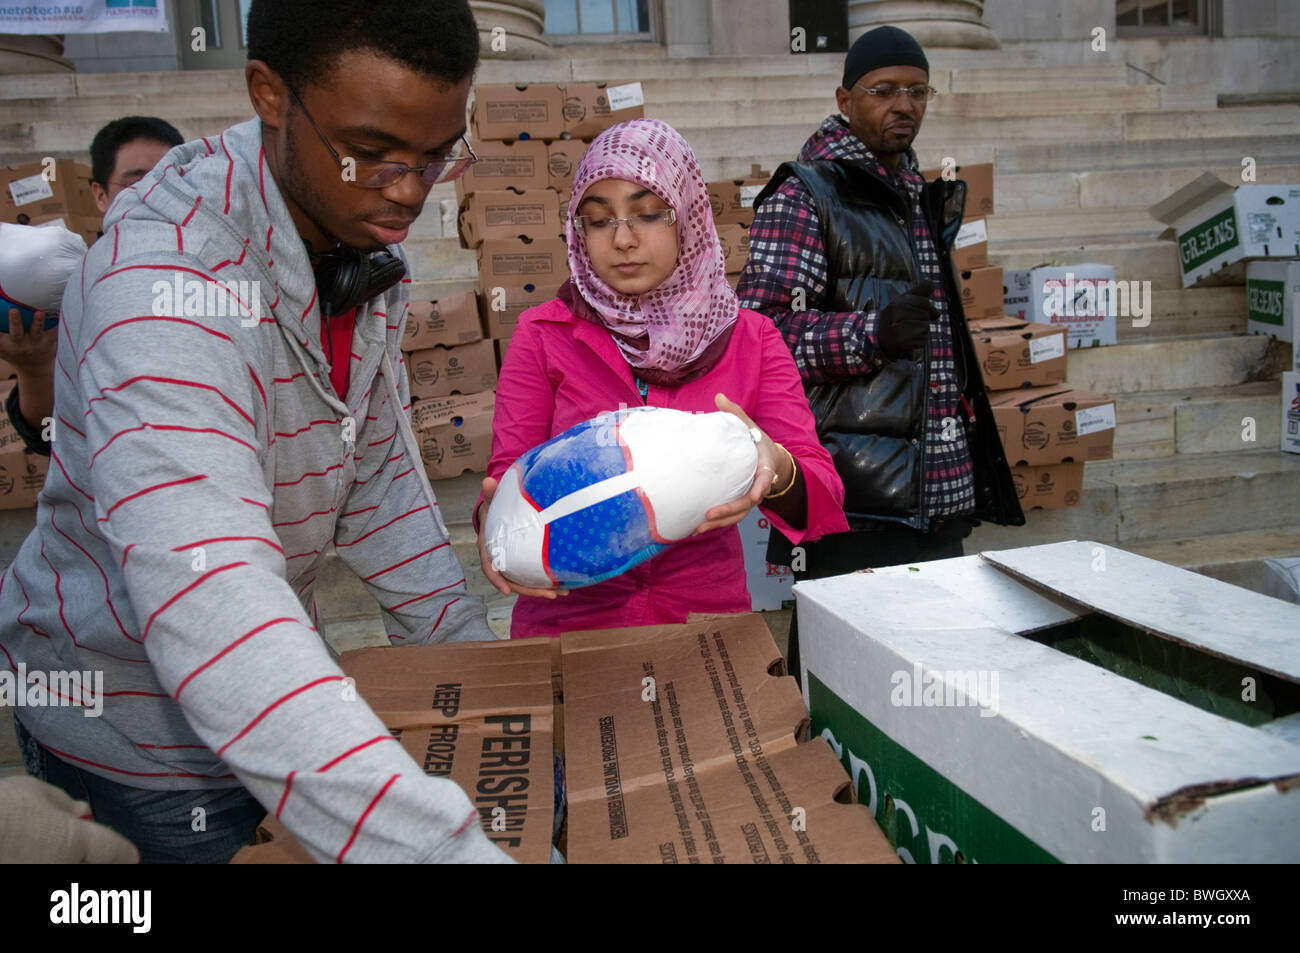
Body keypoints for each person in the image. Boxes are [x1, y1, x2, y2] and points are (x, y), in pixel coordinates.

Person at [0, 0, 511, 864]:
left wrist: (473, 667)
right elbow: (211, 594)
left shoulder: (354, 228)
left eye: (435, 156)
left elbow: (377, 474)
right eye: (376, 154)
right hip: (137, 744)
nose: (408, 192)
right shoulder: (161, 278)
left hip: (268, 688)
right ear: (270, 94)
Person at [474, 118, 848, 639]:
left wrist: (772, 464)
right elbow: (508, 476)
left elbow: (821, 491)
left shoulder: (751, 339)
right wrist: (495, 525)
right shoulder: (544, 333)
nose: (623, 240)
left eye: (648, 214)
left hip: (703, 624)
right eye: (599, 221)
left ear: (688, 216)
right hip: (569, 624)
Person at [737, 25, 1023, 675]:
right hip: (853, 496)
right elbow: (760, 334)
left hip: (936, 493)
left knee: (938, 677)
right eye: (884, 90)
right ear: (845, 99)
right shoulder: (806, 194)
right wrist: (869, 334)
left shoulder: (915, 195)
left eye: (918, 91)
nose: (904, 105)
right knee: (844, 684)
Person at [1, 117, 184, 457]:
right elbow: (46, 438)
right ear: (100, 195)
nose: (159, 195)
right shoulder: (71, 287)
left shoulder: (222, 277)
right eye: (138, 183)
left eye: (173, 180)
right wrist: (34, 368)